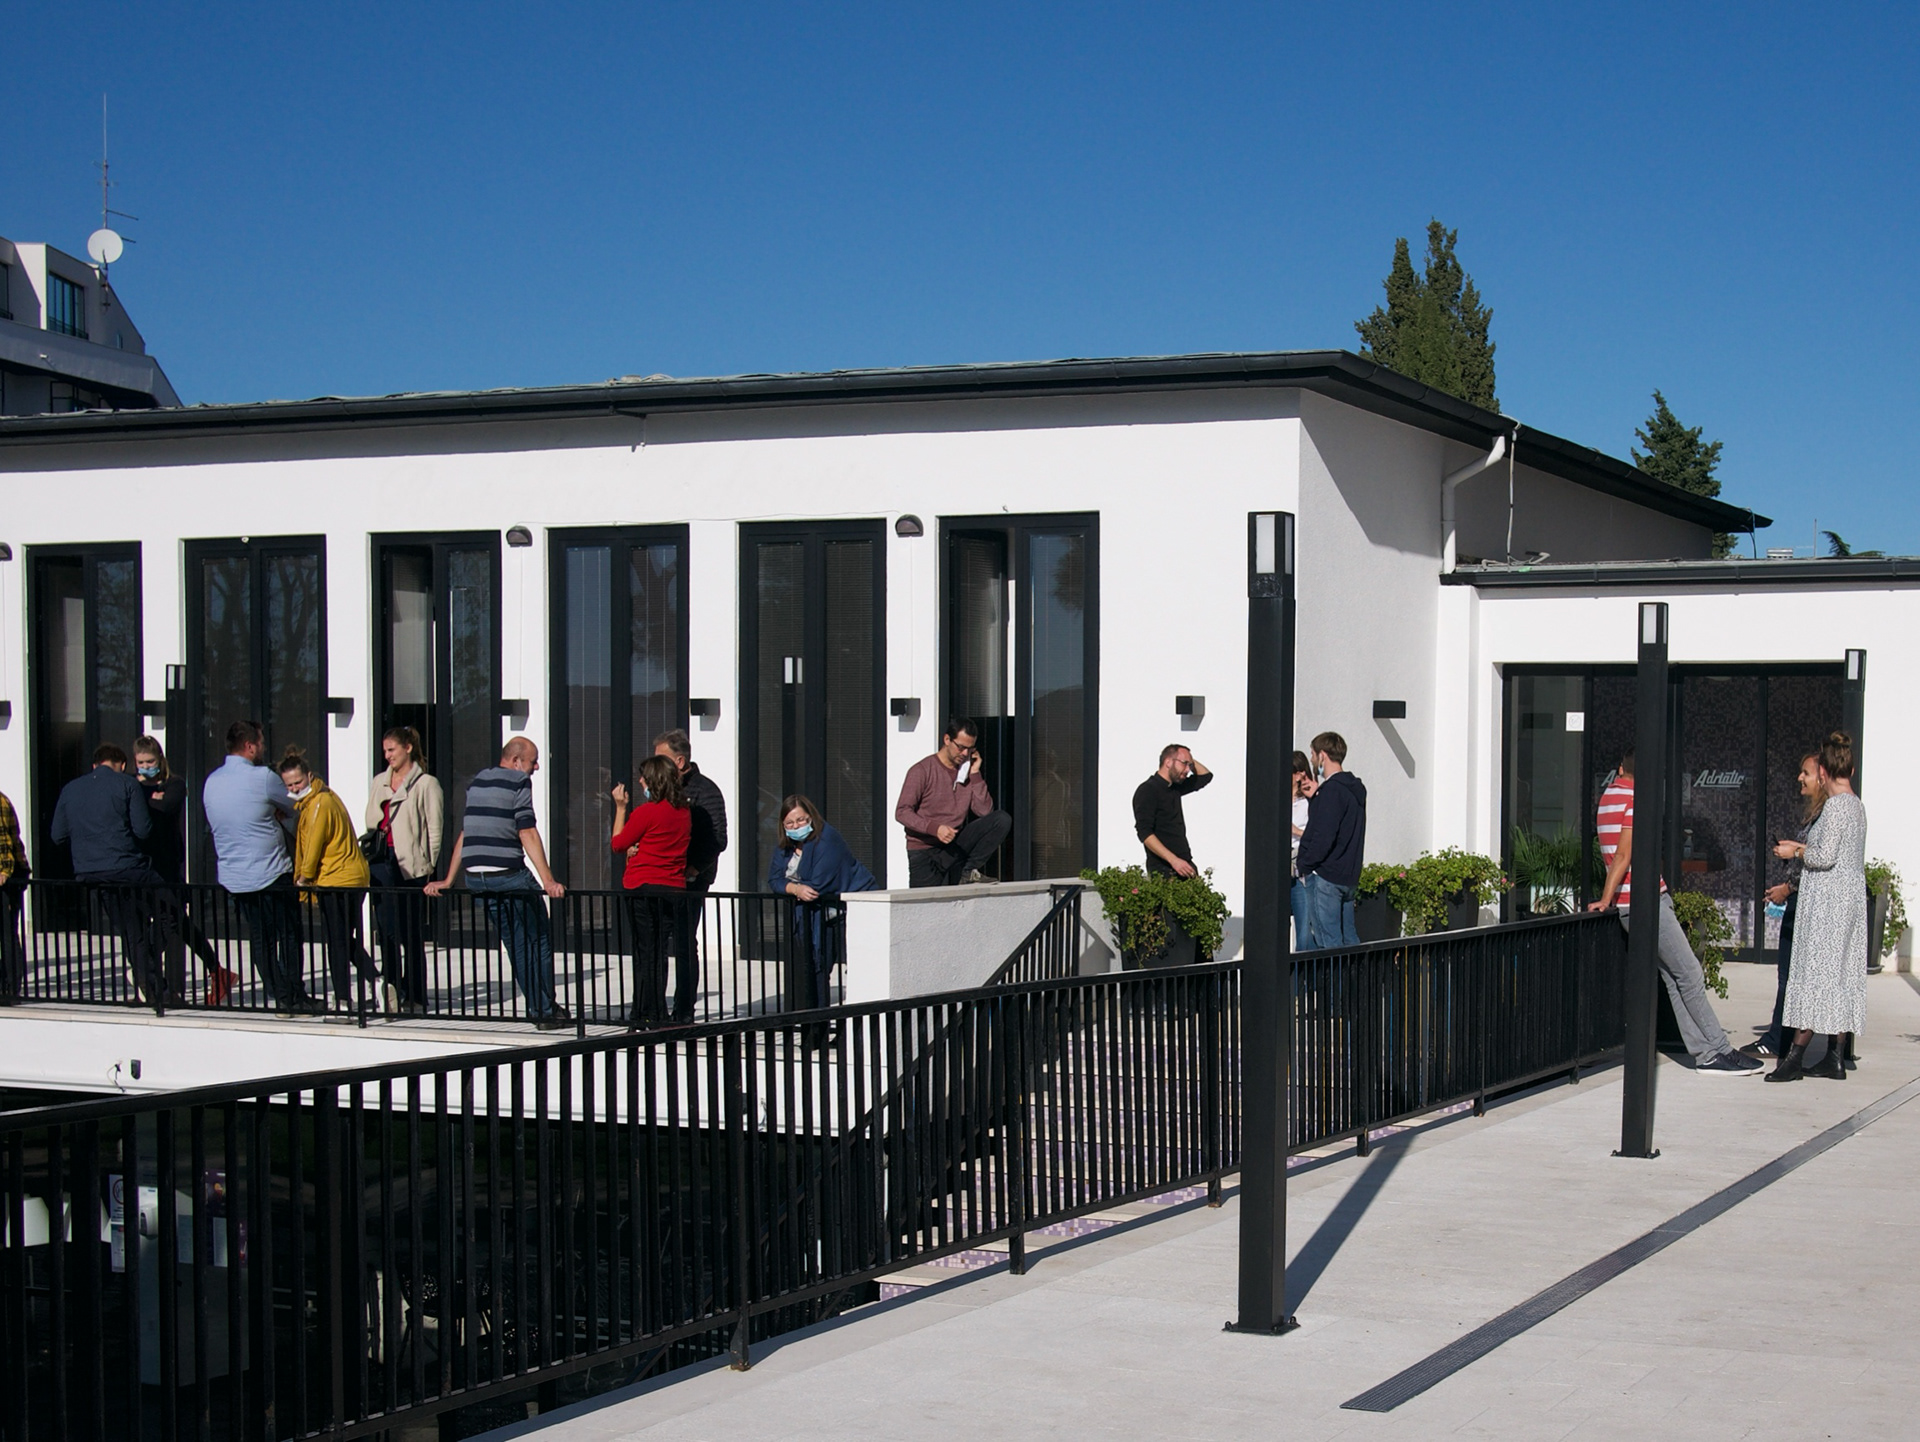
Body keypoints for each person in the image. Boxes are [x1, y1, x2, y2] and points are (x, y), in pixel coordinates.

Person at [1587, 747, 1760, 1075]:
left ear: (1620, 768)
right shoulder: (1635, 801)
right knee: (1690, 973)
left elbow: (1613, 854)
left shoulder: (1607, 798)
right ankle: (1720, 1050)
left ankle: (1706, 1053)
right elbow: (1623, 856)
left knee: (1674, 977)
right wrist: (1606, 898)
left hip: (1632, 903)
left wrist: (1610, 899)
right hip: (1644, 902)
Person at [428, 737, 570, 1030]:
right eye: (533, 761)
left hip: (477, 878)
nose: (536, 767)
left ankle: (542, 1009)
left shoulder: (478, 782)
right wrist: (548, 880)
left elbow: (466, 833)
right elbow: (527, 831)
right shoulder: (519, 782)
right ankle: (544, 1010)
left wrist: (449, 879)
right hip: (508, 875)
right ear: (517, 761)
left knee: (516, 943)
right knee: (538, 938)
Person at [1765, 732, 1869, 1083]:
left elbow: (1824, 857)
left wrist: (1795, 850)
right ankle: (1834, 1056)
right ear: (1850, 769)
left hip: (1828, 904)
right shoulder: (1856, 806)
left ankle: (1794, 1058)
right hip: (1848, 900)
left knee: (1816, 974)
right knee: (1840, 974)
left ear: (1823, 772)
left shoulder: (1837, 807)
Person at [203, 722, 323, 1014]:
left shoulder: (211, 782)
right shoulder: (263, 778)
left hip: (235, 875)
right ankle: (294, 994)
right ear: (250, 746)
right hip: (271, 871)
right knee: (289, 933)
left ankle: (280, 995)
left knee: (261, 938)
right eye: (260, 742)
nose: (264, 747)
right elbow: (297, 804)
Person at [51, 743, 184, 1007]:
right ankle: (151, 974)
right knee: (172, 910)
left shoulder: (70, 789)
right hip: (128, 867)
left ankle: (154, 989)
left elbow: (58, 835)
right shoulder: (127, 784)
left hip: (90, 872)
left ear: (94, 765)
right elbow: (143, 830)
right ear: (122, 765)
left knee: (132, 932)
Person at [132, 735, 237, 1006]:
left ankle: (147, 968)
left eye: (150, 761)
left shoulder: (174, 783)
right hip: (144, 864)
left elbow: (168, 806)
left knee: (172, 919)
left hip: (168, 865)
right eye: (141, 763)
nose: (146, 767)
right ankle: (215, 970)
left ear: (160, 759)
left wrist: (145, 798)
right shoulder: (133, 785)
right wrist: (150, 797)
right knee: (179, 922)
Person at [278, 747, 379, 1010]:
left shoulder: (318, 804)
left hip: (336, 879)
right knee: (344, 938)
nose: (295, 788)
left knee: (336, 942)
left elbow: (313, 845)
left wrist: (303, 879)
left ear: (309, 776)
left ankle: (343, 1000)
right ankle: (377, 981)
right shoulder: (324, 797)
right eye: (289, 785)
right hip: (352, 877)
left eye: (298, 782)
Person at [767, 793, 878, 1010]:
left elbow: (817, 885)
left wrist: (790, 885)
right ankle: (814, 1021)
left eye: (801, 819)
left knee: (849, 967)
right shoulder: (786, 847)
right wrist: (795, 888)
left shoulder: (827, 839)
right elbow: (773, 879)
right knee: (813, 968)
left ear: (811, 817)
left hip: (845, 911)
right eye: (789, 823)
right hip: (814, 914)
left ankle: (842, 1022)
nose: (796, 826)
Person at [1742, 752, 1817, 1061]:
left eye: (1806, 773)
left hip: (1804, 904)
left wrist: (1788, 887)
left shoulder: (1829, 814)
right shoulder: (1818, 814)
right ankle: (1781, 1037)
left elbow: (1820, 858)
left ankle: (1778, 1040)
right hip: (1799, 900)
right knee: (1789, 974)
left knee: (1790, 976)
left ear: (1822, 777)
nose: (1800, 778)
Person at [365, 726, 444, 1016]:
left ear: (407, 748)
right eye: (385, 751)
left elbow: (434, 828)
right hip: (381, 861)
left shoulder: (426, 784)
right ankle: (392, 991)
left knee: (411, 933)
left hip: (411, 865)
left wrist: (428, 864)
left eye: (392, 750)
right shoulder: (380, 781)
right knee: (386, 931)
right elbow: (371, 819)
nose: (388, 756)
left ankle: (415, 995)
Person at [609, 753, 692, 1028]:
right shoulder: (683, 812)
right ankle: (656, 1010)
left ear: (653, 781)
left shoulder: (647, 811)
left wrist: (620, 808)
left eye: (643, 778)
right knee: (659, 950)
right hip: (673, 887)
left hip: (643, 886)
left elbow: (618, 843)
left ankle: (644, 1012)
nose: (640, 783)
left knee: (645, 951)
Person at [653, 729, 728, 1022]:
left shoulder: (705, 790)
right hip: (661, 877)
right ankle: (653, 1009)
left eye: (661, 759)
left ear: (680, 761)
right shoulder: (661, 789)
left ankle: (683, 1010)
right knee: (657, 942)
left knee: (684, 942)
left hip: (690, 880)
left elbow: (717, 838)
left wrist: (694, 869)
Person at [896, 718, 1012, 887]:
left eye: (970, 749)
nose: (965, 753)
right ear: (947, 740)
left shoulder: (966, 772)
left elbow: (985, 811)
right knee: (924, 901)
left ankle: (968, 871)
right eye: (961, 747)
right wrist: (935, 828)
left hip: (953, 845)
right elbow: (902, 812)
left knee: (1001, 819)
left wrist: (975, 773)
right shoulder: (922, 770)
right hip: (924, 850)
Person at [1295, 732, 1368, 949]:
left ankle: (1336, 975)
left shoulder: (1332, 791)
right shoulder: (1353, 789)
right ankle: (1356, 974)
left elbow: (1323, 835)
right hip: (1348, 876)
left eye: (1312, 754)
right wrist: (1316, 798)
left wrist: (1305, 864)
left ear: (1322, 755)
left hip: (1327, 877)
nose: (1311, 760)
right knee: (1349, 941)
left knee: (1329, 945)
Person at [1133, 744, 1214, 878]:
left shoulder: (1175, 787)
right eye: (1184, 764)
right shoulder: (1148, 790)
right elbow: (1145, 833)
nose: (1188, 770)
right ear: (1168, 762)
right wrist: (1173, 860)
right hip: (1164, 869)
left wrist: (1188, 760)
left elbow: (1205, 776)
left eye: (1189, 765)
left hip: (1184, 864)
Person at [0, 787, 29, 1003]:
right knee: (8, 932)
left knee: (7, 932)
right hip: (10, 874)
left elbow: (3, 841)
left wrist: (3, 871)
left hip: (7, 878)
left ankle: (10, 988)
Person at [1290, 751, 1315, 948]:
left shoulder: (1308, 802)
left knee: (1304, 928)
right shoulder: (1278, 800)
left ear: (1298, 775)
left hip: (1300, 869)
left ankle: (1303, 965)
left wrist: (1295, 830)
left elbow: (1318, 834)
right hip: (1279, 868)